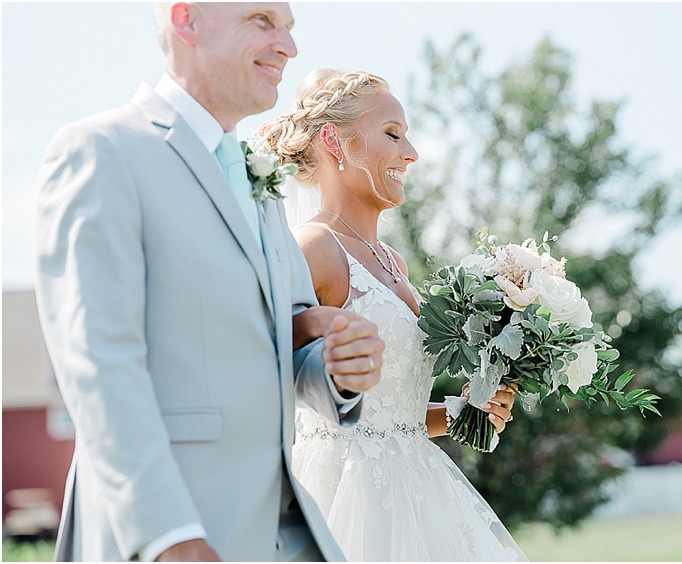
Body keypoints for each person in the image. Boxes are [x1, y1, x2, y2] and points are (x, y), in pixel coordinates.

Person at [34, 4, 384, 562]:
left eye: (289, 28)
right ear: (186, 20)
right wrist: (168, 535)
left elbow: (293, 341)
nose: (288, 47)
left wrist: (338, 368)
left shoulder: (257, 179)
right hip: (171, 531)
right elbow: (99, 364)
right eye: (263, 20)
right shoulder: (102, 152)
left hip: (280, 531)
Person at [264, 69, 527, 561]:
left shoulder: (393, 263)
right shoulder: (314, 248)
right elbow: (285, 387)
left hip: (417, 490)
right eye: (393, 134)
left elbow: (390, 413)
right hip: (347, 496)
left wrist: (462, 414)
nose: (412, 152)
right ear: (334, 141)